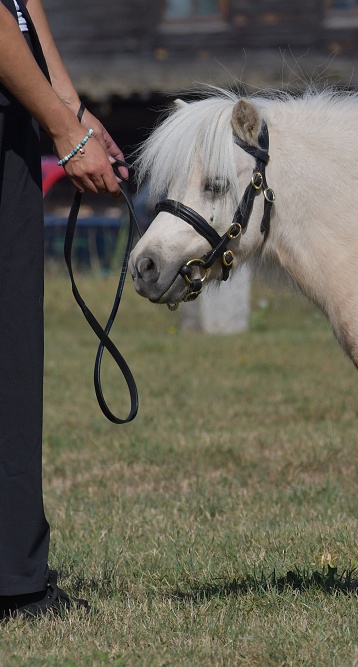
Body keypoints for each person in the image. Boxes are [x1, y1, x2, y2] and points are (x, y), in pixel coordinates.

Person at [0, 0, 125, 619]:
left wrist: (70, 109)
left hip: (14, 115)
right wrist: (63, 128)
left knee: (14, 356)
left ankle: (16, 574)